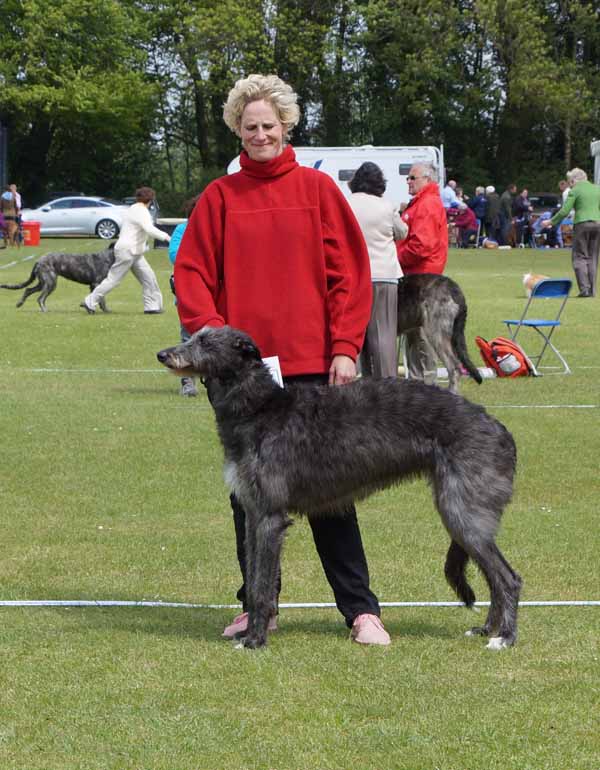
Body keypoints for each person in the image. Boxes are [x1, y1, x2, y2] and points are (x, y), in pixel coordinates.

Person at [174, 73, 390, 646]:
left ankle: (361, 610)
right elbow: (191, 273)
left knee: (330, 493)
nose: (261, 134)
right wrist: (209, 340)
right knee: (248, 495)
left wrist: (345, 348)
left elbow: (351, 274)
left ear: (286, 125)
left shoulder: (318, 191)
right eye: (251, 127)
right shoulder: (219, 198)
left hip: (311, 363)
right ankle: (258, 607)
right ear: (237, 131)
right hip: (243, 374)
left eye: (269, 125)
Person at [347, 161, 407, 378]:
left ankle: (356, 382)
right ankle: (387, 384)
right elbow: (402, 232)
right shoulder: (386, 205)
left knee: (354, 332)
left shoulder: (346, 203)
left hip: (354, 276)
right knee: (383, 334)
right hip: (384, 276)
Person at [396, 162, 448, 385]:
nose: (408, 181)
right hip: (420, 278)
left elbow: (421, 246)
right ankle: (418, 383)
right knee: (414, 333)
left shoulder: (426, 205)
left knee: (421, 334)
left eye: (412, 177)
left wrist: (394, 259)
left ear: (427, 179)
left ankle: (427, 384)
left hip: (421, 279)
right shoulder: (423, 203)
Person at [81, 186, 169, 314]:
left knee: (149, 277)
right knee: (113, 279)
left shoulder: (133, 208)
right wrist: (167, 237)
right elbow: (149, 229)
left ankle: (152, 307)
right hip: (128, 251)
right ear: (151, 200)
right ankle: (90, 302)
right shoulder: (141, 211)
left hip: (134, 251)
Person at [542, 168, 600, 297]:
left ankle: (585, 289)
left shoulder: (575, 191)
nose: (570, 184)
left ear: (574, 180)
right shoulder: (597, 189)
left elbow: (564, 211)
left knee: (579, 257)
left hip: (582, 224)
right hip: (597, 224)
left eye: (570, 182)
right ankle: (592, 291)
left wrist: (550, 222)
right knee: (593, 257)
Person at [168, 195, 200, 396]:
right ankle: (187, 382)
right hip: (188, 291)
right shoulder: (183, 230)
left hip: (218, 291)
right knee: (188, 336)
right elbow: (175, 256)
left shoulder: (222, 228)